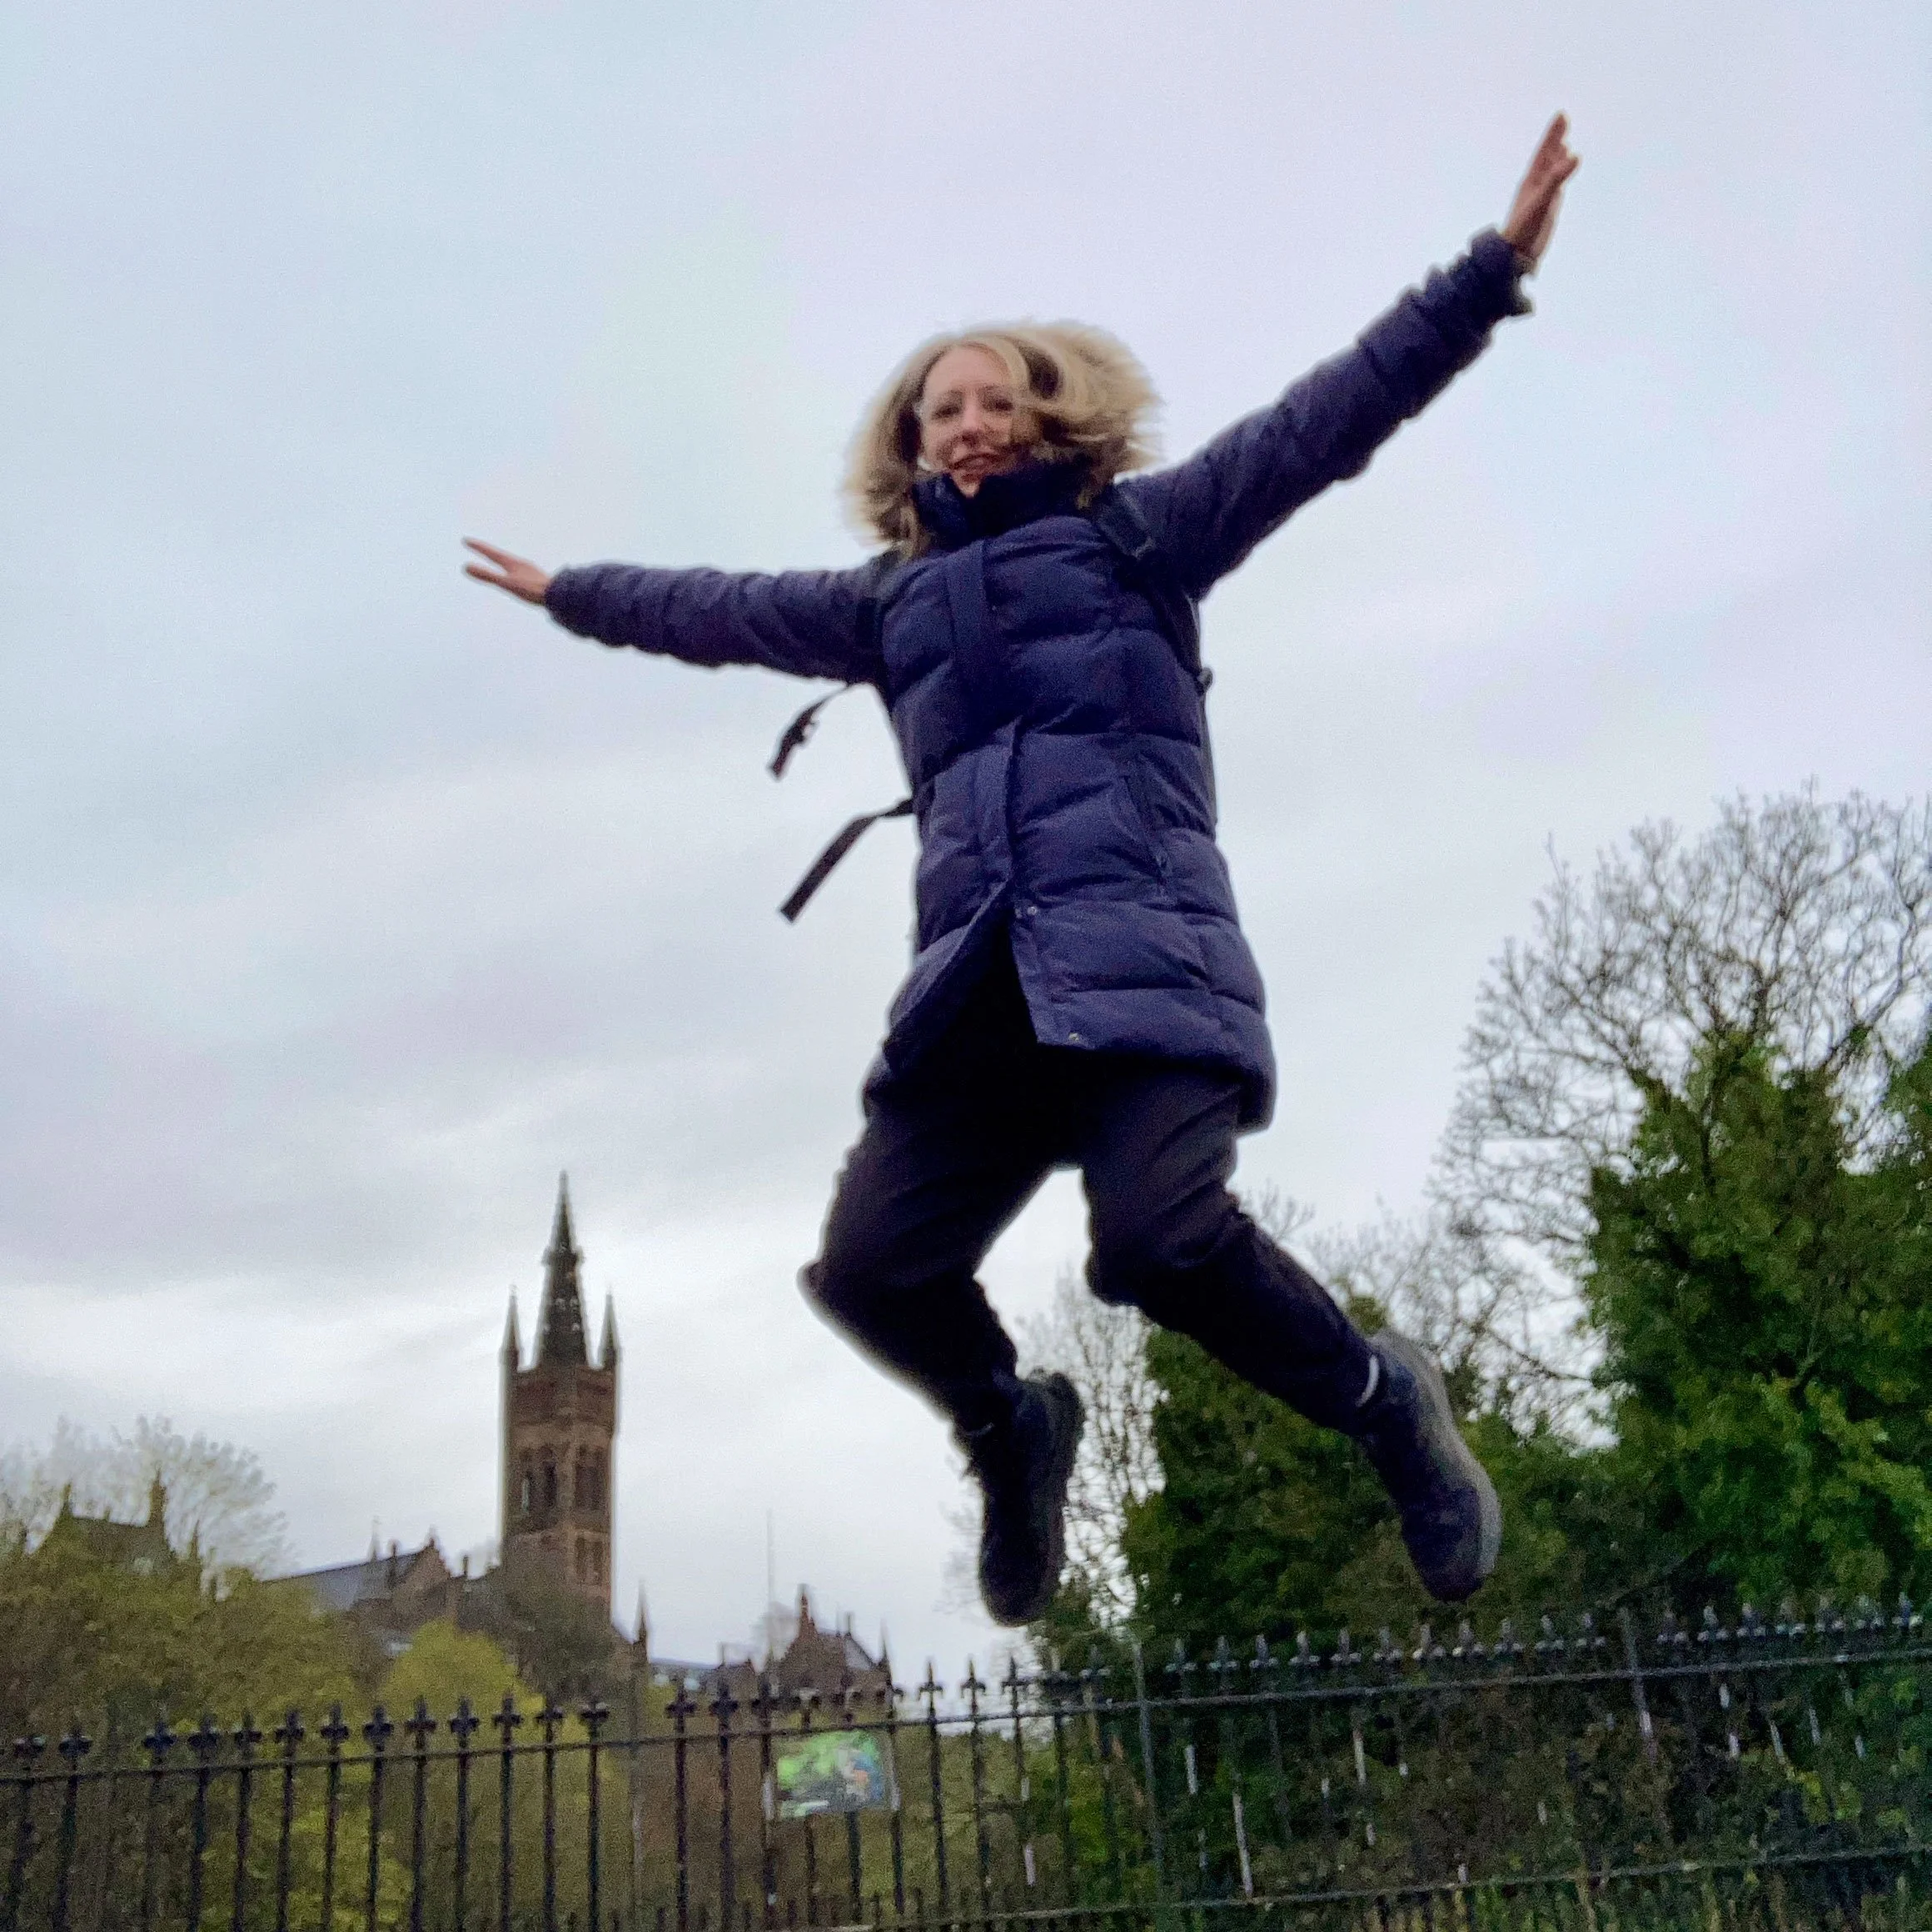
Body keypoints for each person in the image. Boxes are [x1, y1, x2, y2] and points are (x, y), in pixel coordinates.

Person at [467, 117, 1580, 1624]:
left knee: (1156, 1244)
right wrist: (575, 595)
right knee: (867, 1270)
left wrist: (1485, 276)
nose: (971, 423)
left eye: (999, 400)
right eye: (943, 410)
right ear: (911, 445)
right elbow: (717, 607)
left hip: (1138, 971)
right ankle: (1011, 1424)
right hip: (981, 999)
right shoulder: (888, 608)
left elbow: (1322, 424)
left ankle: (1388, 1403)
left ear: (1051, 420)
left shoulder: (1139, 542)